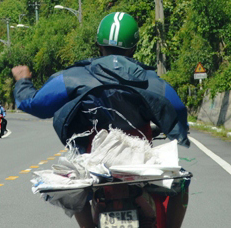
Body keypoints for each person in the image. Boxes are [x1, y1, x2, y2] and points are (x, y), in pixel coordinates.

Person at [12, 12, 190, 228]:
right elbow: (178, 110)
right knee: (182, 185)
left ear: (99, 46)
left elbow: (35, 104)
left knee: (78, 188)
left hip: (95, 164)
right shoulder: (151, 81)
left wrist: (23, 81)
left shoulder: (75, 76)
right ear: (133, 47)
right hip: (140, 165)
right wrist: (175, 128)